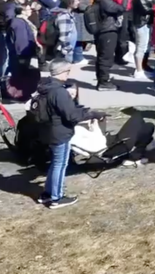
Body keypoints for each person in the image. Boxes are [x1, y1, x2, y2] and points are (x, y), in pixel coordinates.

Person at [36, 60, 101, 209]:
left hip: (48, 131)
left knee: (55, 163)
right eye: (68, 72)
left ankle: (47, 193)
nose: (68, 75)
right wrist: (89, 113)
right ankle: (56, 198)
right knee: (60, 164)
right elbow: (72, 116)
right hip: (60, 133)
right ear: (62, 72)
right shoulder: (59, 92)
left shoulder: (46, 87)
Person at [88, 0, 124, 91]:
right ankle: (103, 82)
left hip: (104, 30)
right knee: (106, 57)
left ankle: (103, 80)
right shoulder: (104, 0)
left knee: (102, 56)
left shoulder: (100, 0)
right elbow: (119, 8)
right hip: (107, 30)